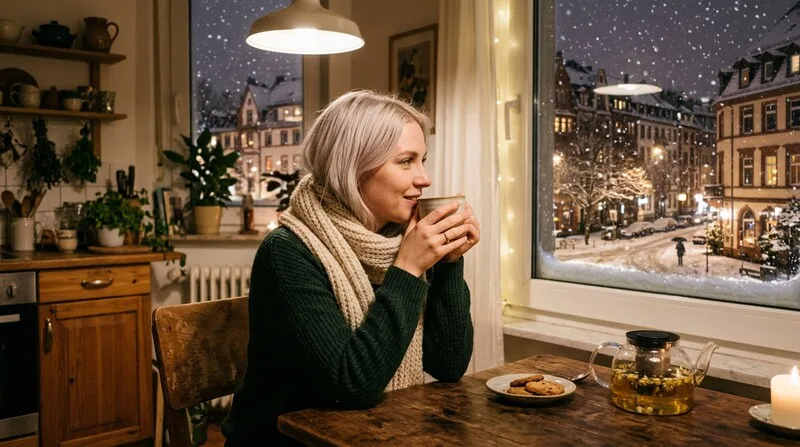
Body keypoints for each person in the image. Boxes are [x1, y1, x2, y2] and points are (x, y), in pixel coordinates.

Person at [222, 90, 480, 446]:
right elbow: (352, 386)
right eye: (406, 161)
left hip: (374, 434)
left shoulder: (400, 239)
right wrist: (407, 269)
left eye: (423, 160)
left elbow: (449, 365)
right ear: (353, 165)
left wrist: (449, 260)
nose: (424, 178)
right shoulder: (287, 252)